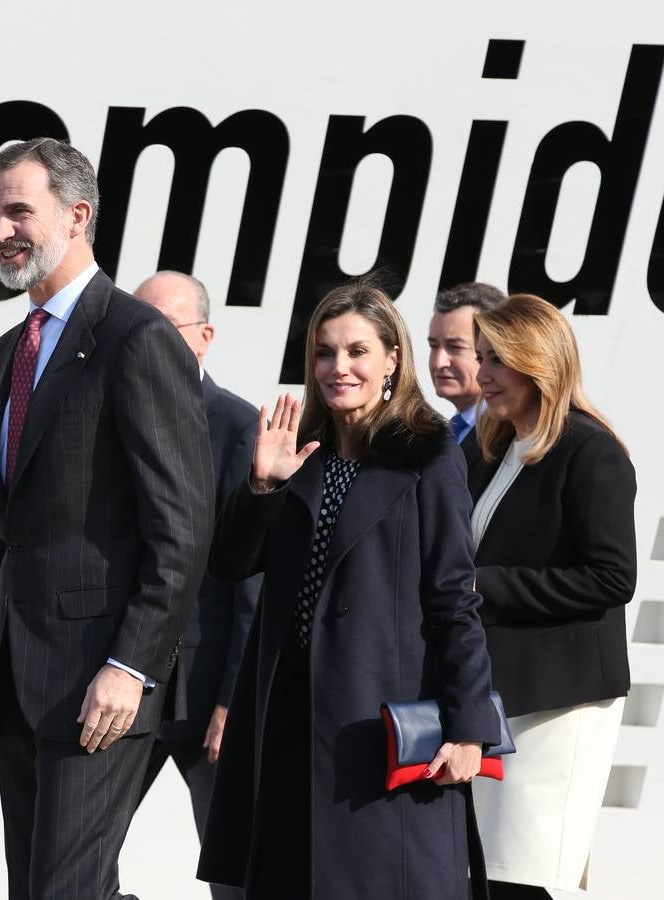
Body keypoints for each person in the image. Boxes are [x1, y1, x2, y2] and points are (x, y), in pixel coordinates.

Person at [0, 138, 215, 900]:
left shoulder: (137, 339)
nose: (0, 231)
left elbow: (183, 526)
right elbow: (2, 531)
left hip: (103, 686)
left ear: (78, 216)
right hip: (18, 688)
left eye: (18, 212)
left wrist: (132, 666)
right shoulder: (8, 352)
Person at [196, 282, 500, 899]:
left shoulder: (428, 452)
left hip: (376, 717)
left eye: (358, 352)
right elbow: (230, 564)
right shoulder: (297, 449)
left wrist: (469, 730)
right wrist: (263, 485)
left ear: (392, 359)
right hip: (287, 714)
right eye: (326, 354)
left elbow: (454, 599)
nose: (341, 369)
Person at [467, 293, 637, 899]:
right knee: (483, 878)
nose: (481, 374)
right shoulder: (487, 448)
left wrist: (484, 585)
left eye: (496, 360)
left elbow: (612, 579)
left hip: (559, 705)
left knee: (530, 879)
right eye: (480, 357)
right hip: (491, 695)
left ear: (538, 362)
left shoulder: (591, 451)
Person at [132, 271, 260, 900]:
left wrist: (232, 698)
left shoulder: (241, 428)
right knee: (73, 860)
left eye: (163, 328)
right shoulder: (102, 417)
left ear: (204, 338)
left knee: (232, 871)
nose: (144, 341)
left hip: (209, 692)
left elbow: (250, 580)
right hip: (122, 685)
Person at [428, 282, 507, 467]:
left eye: (455, 347)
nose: (439, 362)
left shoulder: (511, 436)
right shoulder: (443, 436)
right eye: (433, 346)